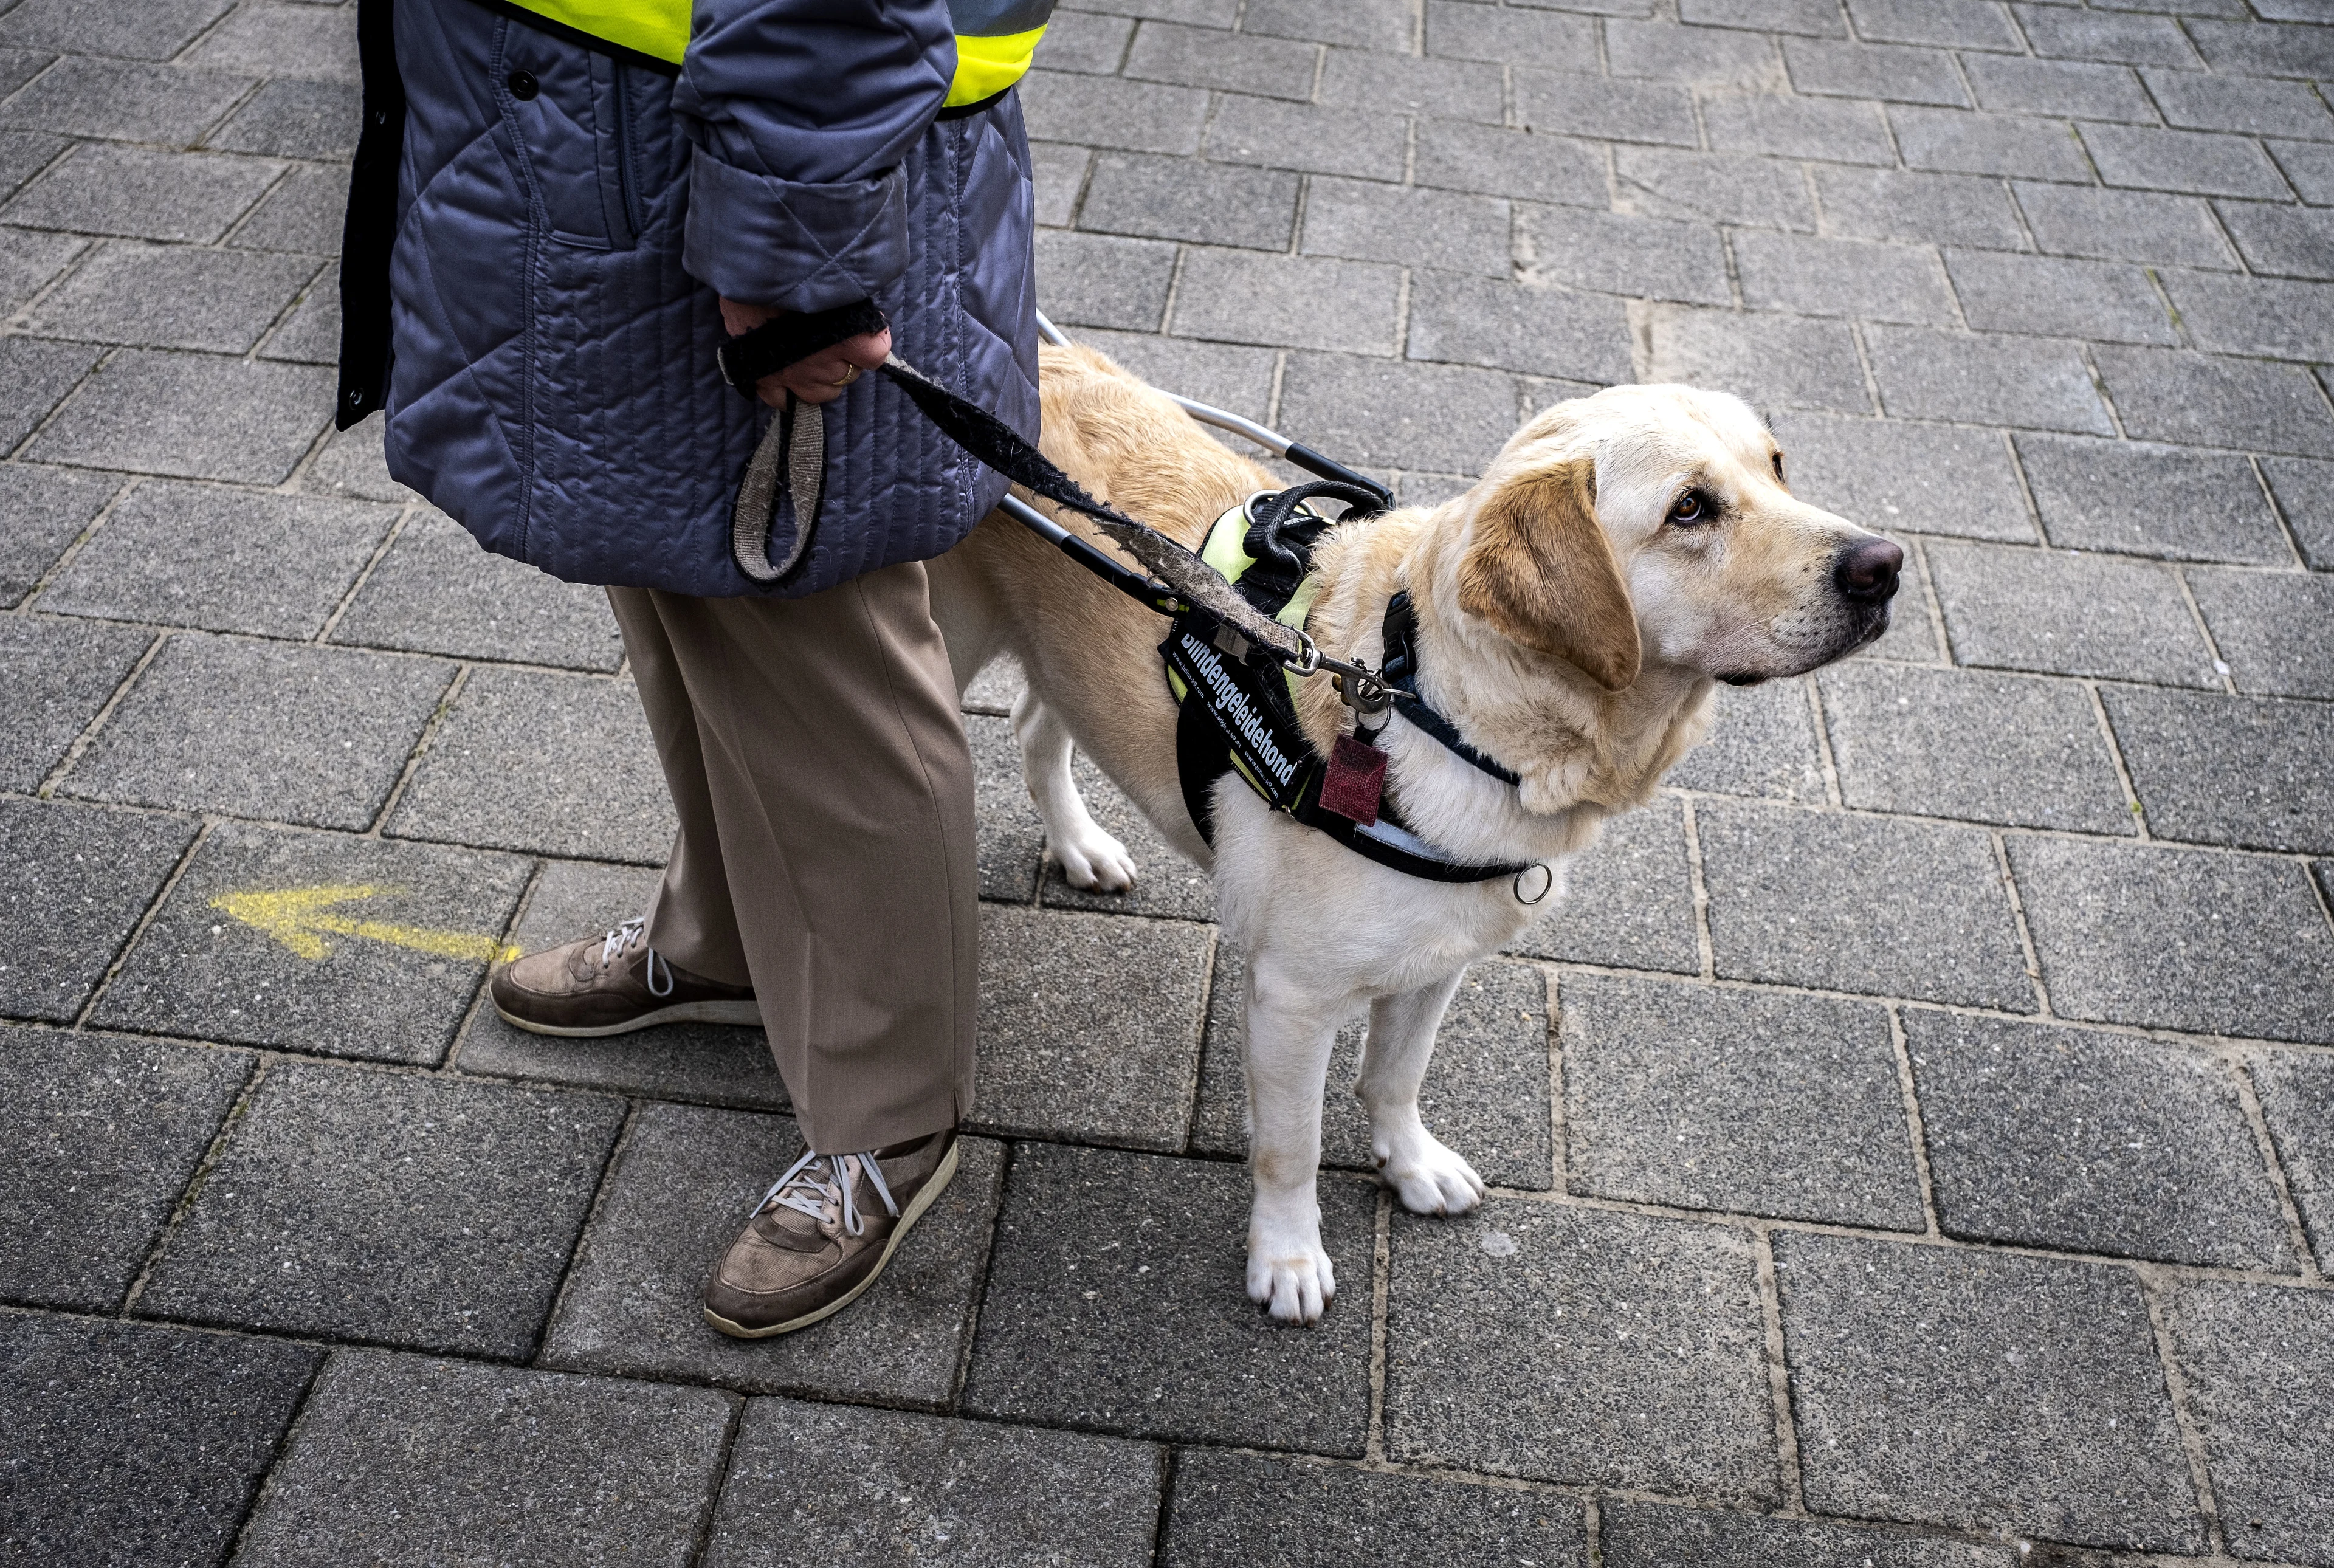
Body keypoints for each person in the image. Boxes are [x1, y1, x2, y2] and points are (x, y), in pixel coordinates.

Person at [336, 0, 1053, 1336]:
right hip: (612, 143)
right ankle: (723, 941)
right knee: (685, 585)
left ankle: (893, 1119)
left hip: (731, 162)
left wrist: (799, 253)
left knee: (817, 644)